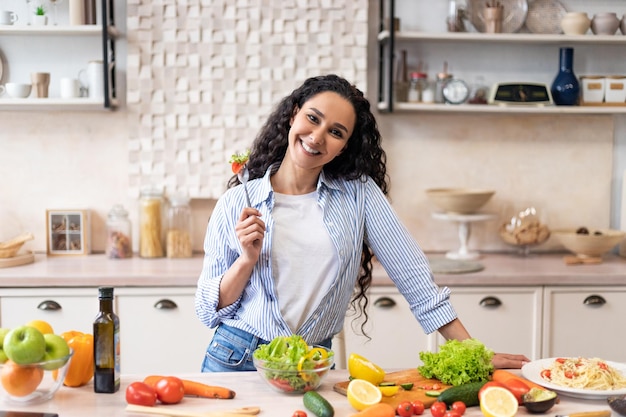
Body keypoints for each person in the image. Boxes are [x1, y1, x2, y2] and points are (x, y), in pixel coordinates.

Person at [195, 74, 529, 372]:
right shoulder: (238, 202)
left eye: (335, 132)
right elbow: (208, 309)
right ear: (294, 113)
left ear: (344, 147)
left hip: (311, 367)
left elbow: (414, 277)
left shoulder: (358, 197)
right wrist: (246, 261)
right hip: (238, 358)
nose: (317, 137)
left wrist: (472, 351)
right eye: (313, 118)